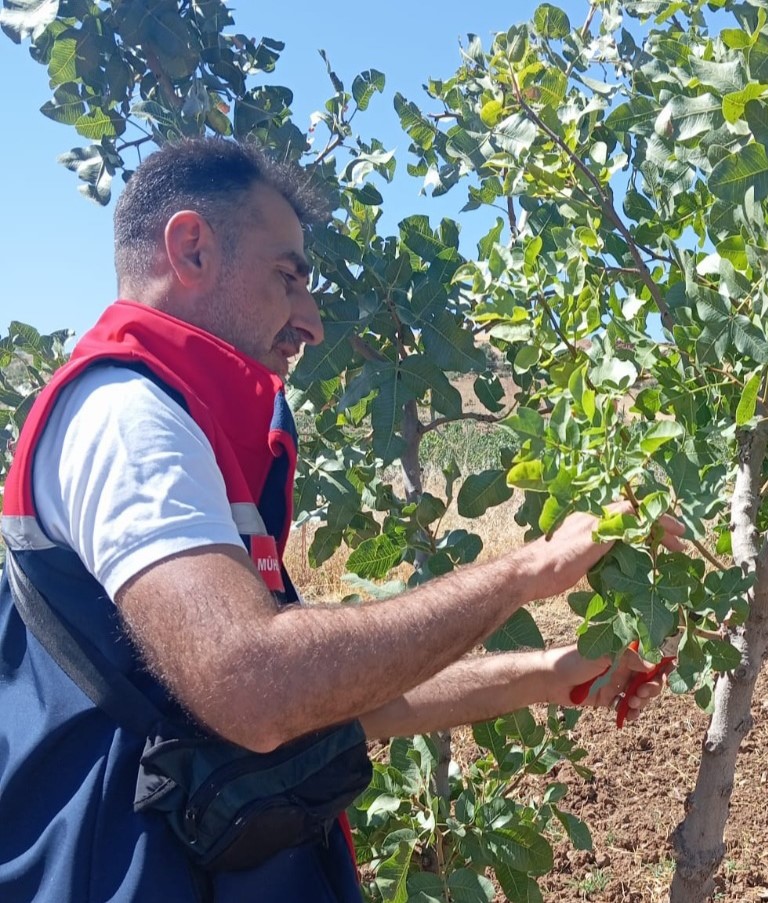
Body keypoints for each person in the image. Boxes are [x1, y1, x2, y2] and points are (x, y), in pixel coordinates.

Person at [0, 137, 685, 902]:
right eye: (289, 277)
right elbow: (257, 687)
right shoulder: (127, 419)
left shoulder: (192, 432)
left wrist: (545, 673)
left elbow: (321, 699)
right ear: (190, 248)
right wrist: (527, 571)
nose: (311, 320)